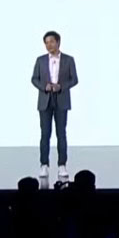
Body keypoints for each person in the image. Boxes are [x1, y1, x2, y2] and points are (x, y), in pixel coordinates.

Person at [31, 30, 79, 180]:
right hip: (45, 101)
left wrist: (61, 86)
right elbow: (34, 79)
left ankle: (62, 165)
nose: (49, 45)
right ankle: (44, 164)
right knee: (45, 134)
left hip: (61, 100)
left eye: (51, 41)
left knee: (61, 134)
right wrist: (44, 86)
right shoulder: (40, 60)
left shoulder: (68, 60)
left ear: (58, 42)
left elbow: (74, 79)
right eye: (46, 43)